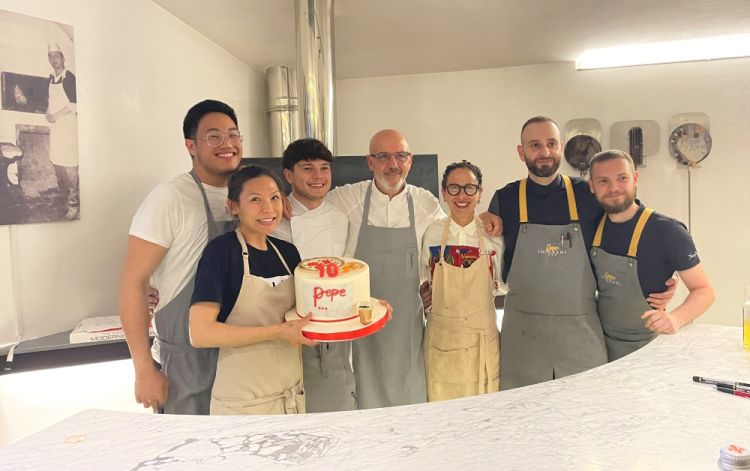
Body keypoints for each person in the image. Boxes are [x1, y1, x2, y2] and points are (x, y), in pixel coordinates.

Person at [486, 116, 675, 390]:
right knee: (522, 415)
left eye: (551, 143)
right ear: (521, 151)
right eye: (535, 145)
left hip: (581, 329)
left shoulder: (587, 193)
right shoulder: (505, 198)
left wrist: (658, 279)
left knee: (586, 412)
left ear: (561, 147)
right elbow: (483, 245)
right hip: (522, 335)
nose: (545, 152)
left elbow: (636, 228)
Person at [119, 99, 242, 414]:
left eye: (233, 134)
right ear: (191, 146)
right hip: (187, 360)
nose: (227, 144)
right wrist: (144, 369)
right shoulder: (170, 198)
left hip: (240, 351)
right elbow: (133, 283)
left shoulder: (248, 196)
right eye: (213, 136)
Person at [326, 129, 445, 409]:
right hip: (360, 322)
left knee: (410, 396)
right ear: (370, 162)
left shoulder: (426, 203)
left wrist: (433, 287)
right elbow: (309, 207)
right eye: (383, 157)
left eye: (400, 156)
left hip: (408, 324)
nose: (393, 164)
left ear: (410, 160)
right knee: (364, 396)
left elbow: (444, 245)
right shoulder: (345, 199)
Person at [189, 165, 318, 415]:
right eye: (255, 200)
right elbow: (201, 333)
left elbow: (308, 311)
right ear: (233, 206)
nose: (268, 208)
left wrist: (364, 309)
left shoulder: (288, 253)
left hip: (290, 397)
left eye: (274, 198)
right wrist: (277, 332)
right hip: (242, 403)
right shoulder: (222, 253)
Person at [587, 150, 715, 361]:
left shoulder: (667, 231)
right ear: (592, 186)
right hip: (600, 346)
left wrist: (675, 319)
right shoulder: (592, 226)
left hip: (649, 349)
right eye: (603, 181)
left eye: (622, 178)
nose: (614, 188)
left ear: (635, 178)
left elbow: (704, 290)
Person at [273, 138, 356, 412]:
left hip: (331, 329)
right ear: (288, 175)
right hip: (281, 327)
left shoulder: (341, 217)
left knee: (333, 404)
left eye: (324, 168)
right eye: (307, 168)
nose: (318, 177)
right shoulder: (273, 218)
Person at [420, 160, 503, 401]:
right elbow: (423, 277)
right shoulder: (432, 233)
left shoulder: (494, 235)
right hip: (442, 340)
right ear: (444, 193)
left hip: (482, 341)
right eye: (454, 188)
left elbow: (503, 282)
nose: (462, 195)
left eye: (470, 188)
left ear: (480, 193)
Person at [45, 42, 79, 219]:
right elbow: (50, 101)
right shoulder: (51, 79)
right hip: (57, 129)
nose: (54, 60)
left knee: (70, 166)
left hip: (68, 127)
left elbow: (74, 105)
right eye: (51, 56)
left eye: (56, 56)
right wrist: (47, 113)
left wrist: (56, 115)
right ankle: (64, 199)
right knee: (58, 164)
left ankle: (74, 205)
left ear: (63, 58)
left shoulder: (70, 78)